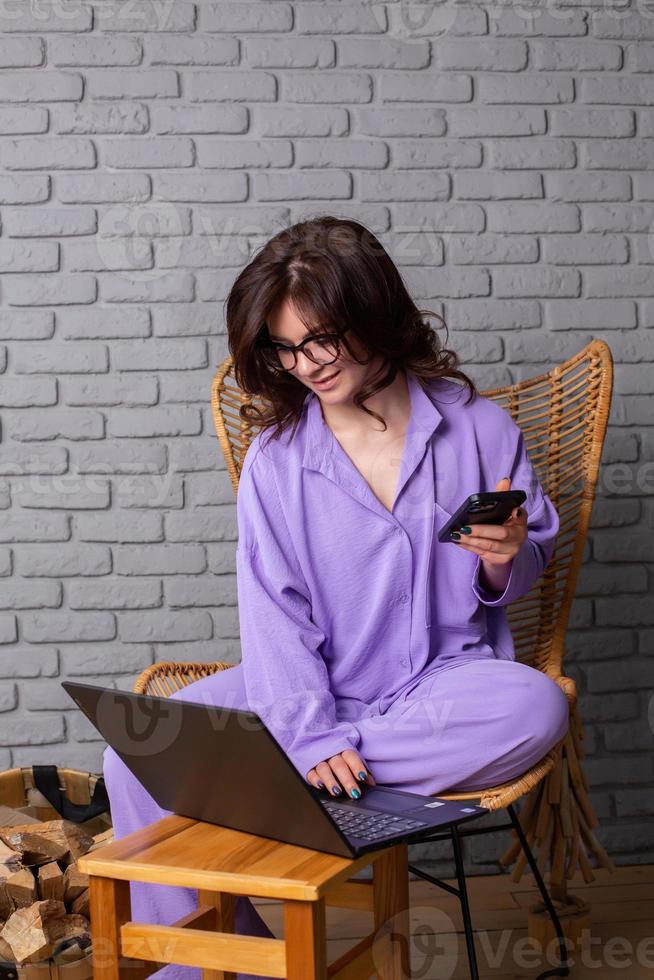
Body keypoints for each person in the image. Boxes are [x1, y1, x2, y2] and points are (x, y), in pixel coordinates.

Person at [102, 216, 569, 980]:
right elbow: (273, 613)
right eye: (285, 349)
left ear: (373, 313)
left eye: (321, 340)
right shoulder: (277, 461)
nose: (306, 364)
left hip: (442, 682)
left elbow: (524, 564)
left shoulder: (477, 426)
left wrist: (506, 559)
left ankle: (279, 782)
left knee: (535, 707)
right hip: (311, 680)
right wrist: (311, 729)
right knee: (132, 756)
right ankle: (224, 969)